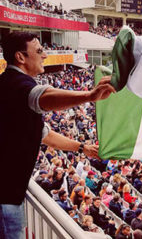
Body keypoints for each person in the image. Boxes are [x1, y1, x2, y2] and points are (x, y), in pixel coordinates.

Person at [0, 32, 115, 239]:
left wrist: (82, 148)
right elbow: (44, 96)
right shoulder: (17, 85)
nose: (45, 55)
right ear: (20, 57)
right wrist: (90, 95)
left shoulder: (8, 83)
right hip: (5, 200)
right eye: (39, 51)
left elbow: (45, 134)